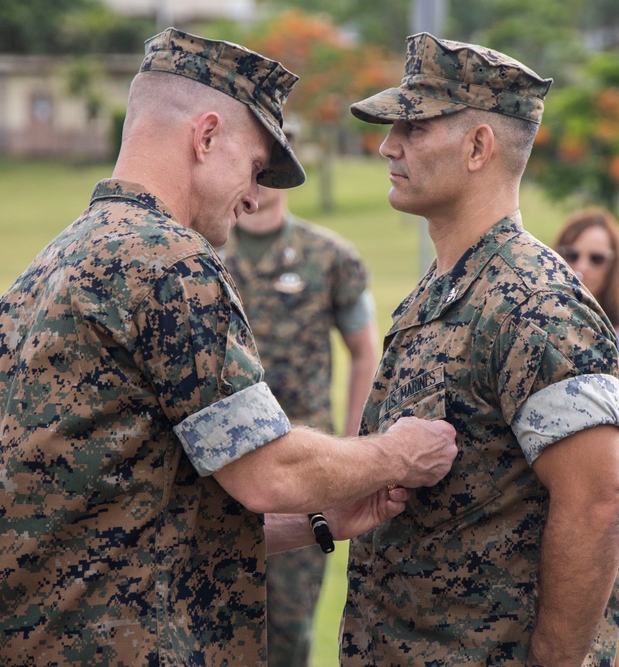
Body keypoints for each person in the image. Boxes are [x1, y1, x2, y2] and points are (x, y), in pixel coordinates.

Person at [0, 28, 458, 667]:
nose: (255, 197)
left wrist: (325, 520)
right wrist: (396, 454)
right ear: (204, 138)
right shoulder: (168, 262)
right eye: (255, 168)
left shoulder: (52, 262)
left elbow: (135, 513)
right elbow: (265, 471)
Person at [341, 33, 619, 667]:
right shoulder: (440, 292)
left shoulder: (537, 304)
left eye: (414, 127)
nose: (389, 145)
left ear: (479, 147)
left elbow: (598, 501)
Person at [222, 139, 379, 667]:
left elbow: (364, 351)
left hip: (302, 466)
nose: (260, 185)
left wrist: (356, 447)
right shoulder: (205, 254)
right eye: (254, 171)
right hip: (217, 465)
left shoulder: (330, 257)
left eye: (271, 174)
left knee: (288, 632)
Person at [554, 207, 619, 663]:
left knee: (607, 625)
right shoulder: (544, 319)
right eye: (571, 253)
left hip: (611, 472)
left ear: (615, 265)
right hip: (553, 472)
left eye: (597, 257)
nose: (582, 265)